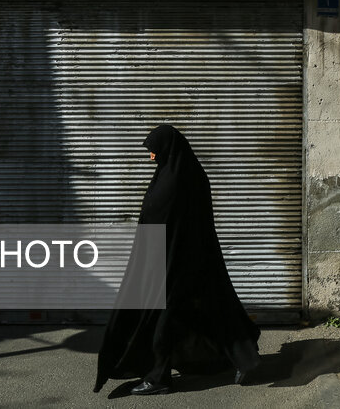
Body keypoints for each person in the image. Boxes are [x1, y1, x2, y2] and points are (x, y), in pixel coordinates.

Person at [93, 124, 260, 395]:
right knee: (211, 312)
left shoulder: (176, 179)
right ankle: (244, 355)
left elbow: (166, 220)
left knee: (163, 319)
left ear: (167, 148)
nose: (151, 157)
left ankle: (159, 378)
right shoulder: (186, 173)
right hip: (187, 259)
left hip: (174, 263)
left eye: (154, 151)